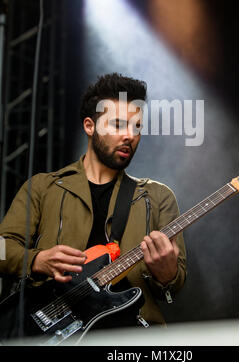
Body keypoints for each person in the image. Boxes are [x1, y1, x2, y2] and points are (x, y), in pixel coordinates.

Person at [0, 73, 186, 330]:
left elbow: (174, 285)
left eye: (136, 127)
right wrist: (36, 260)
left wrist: (167, 274)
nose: (129, 136)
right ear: (90, 126)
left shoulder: (158, 197)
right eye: (118, 125)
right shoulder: (43, 187)